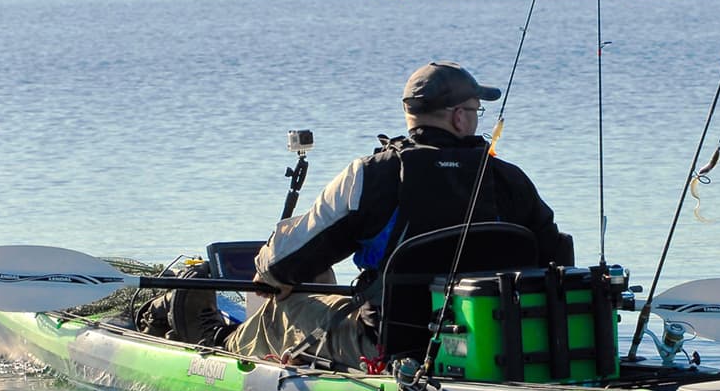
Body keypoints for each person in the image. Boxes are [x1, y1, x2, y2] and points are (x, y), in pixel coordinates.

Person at [223, 61, 567, 369]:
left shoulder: (371, 175)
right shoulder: (510, 179)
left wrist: (267, 269)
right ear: (459, 117)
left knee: (280, 309)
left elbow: (284, 263)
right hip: (498, 343)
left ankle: (216, 349)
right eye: (477, 110)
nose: (477, 119)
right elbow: (556, 260)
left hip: (391, 347)